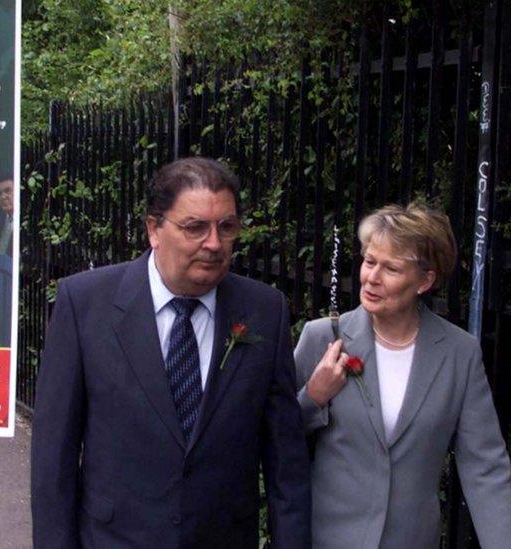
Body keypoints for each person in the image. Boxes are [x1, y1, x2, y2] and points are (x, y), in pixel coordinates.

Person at [31, 157, 311, 548]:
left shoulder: (265, 311)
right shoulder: (85, 304)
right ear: (154, 229)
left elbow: (286, 461)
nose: (214, 244)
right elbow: (53, 459)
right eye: (195, 227)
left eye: (226, 227)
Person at [295, 202, 511, 548]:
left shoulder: (459, 353)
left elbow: (485, 467)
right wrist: (313, 397)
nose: (372, 277)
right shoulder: (323, 337)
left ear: (424, 280)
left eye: (391, 269)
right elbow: (275, 436)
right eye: (370, 261)